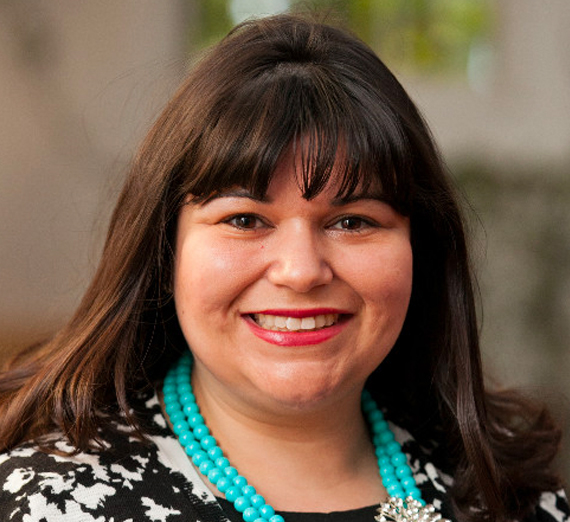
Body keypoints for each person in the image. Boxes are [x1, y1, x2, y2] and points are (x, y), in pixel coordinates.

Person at [0, 13, 567, 522]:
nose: (301, 271)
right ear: (165, 249)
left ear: (423, 247)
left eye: (352, 221)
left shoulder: (512, 499)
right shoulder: (56, 502)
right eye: (245, 219)